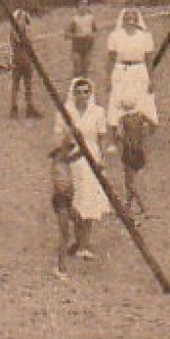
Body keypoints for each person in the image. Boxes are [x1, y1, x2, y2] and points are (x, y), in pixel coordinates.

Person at [53, 77, 113, 261]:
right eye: (78, 92)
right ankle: (78, 240)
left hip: (91, 160)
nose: (82, 95)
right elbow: (57, 138)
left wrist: (102, 158)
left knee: (89, 200)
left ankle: (85, 243)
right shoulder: (66, 112)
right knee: (73, 201)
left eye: (86, 92)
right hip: (71, 160)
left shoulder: (98, 112)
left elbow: (102, 138)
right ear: (73, 93)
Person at [105, 8, 159, 129]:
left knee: (142, 99)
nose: (130, 20)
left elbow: (149, 60)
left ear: (137, 19)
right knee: (118, 99)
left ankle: (141, 129)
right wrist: (108, 78)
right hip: (120, 70)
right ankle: (116, 129)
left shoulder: (146, 36)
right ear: (122, 19)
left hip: (139, 70)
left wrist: (152, 79)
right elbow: (111, 59)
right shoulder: (114, 36)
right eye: (127, 17)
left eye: (133, 17)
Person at [47, 140, 77, 279]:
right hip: (62, 200)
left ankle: (73, 249)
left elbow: (76, 155)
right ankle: (61, 267)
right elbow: (61, 187)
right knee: (64, 234)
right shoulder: (58, 166)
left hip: (66, 199)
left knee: (77, 222)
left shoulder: (64, 163)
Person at [8, 8, 40, 119]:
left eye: (24, 19)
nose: (22, 21)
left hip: (26, 60)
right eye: (20, 19)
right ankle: (14, 108)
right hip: (18, 60)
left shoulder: (25, 30)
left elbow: (29, 42)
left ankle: (29, 107)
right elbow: (22, 41)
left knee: (27, 84)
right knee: (16, 84)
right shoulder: (14, 31)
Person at [65, 0, 98, 81]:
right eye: (81, 5)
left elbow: (96, 31)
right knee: (77, 68)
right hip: (77, 46)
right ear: (77, 7)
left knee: (86, 69)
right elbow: (67, 34)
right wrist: (78, 35)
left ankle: (85, 87)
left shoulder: (91, 18)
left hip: (88, 45)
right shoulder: (74, 19)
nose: (83, 7)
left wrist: (92, 35)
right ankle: (75, 86)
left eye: (85, 5)